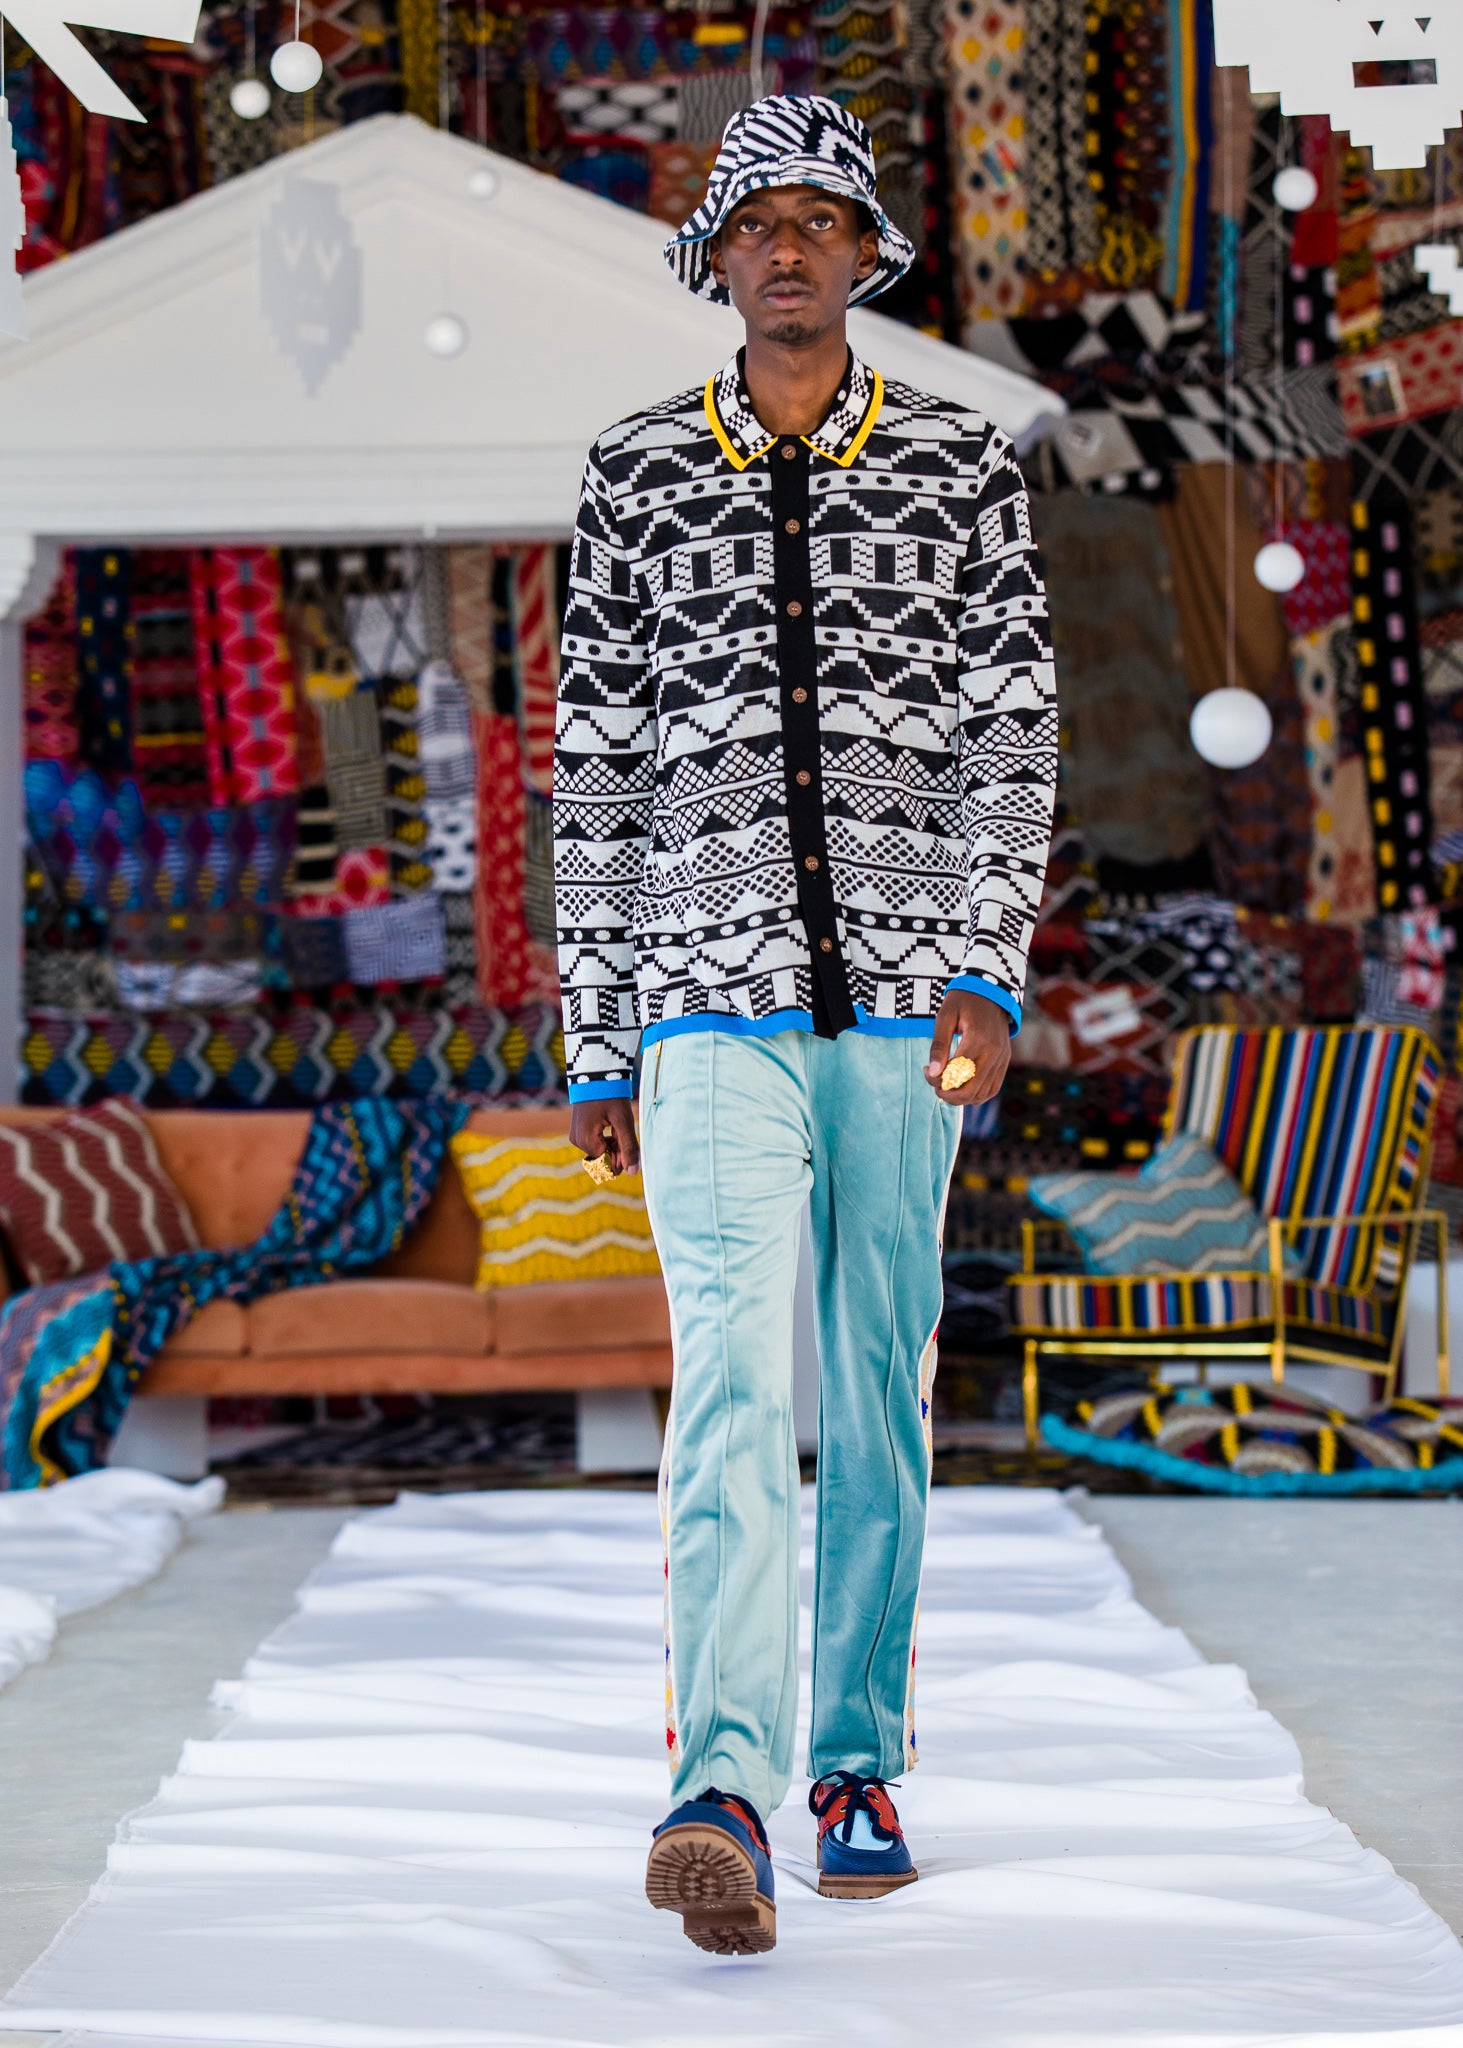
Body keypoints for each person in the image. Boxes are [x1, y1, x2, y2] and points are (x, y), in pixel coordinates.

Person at [553, 93, 1057, 1955]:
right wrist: (599, 1031)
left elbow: (1011, 729)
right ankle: (721, 1788)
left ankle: (857, 1763)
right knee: (733, 1392)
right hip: (702, 998)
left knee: (879, 1380)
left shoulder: (959, 461)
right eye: (752, 219)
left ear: (862, 255)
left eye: (816, 219)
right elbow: (595, 768)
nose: (784, 245)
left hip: (913, 1006)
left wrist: (988, 966)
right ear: (717, 258)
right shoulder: (632, 470)